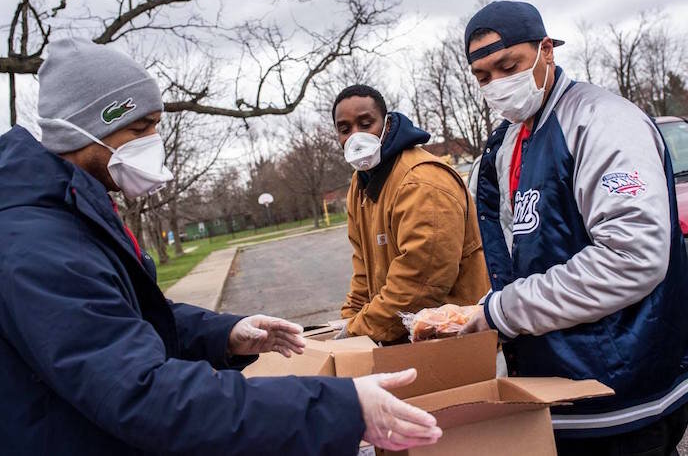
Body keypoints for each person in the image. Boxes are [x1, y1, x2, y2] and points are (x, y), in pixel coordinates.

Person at [0, 38, 442, 455]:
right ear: (89, 129)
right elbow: (140, 392)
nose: (154, 142)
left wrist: (225, 334)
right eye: (141, 128)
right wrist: (340, 407)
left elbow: (125, 313)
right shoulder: (37, 241)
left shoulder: (71, 212)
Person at [459, 1, 688, 455]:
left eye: (507, 65)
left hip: (624, 391)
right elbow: (526, 253)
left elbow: (631, 257)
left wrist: (504, 311)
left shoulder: (602, 121)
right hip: (560, 389)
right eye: (483, 77)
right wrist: (484, 309)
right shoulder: (511, 139)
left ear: (546, 50)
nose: (496, 85)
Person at [333, 85, 489, 343]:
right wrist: (348, 322)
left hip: (453, 338)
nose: (356, 136)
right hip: (402, 335)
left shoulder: (421, 182)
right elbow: (363, 272)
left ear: (386, 123)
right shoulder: (359, 185)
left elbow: (420, 285)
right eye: (345, 129)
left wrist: (356, 331)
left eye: (366, 123)